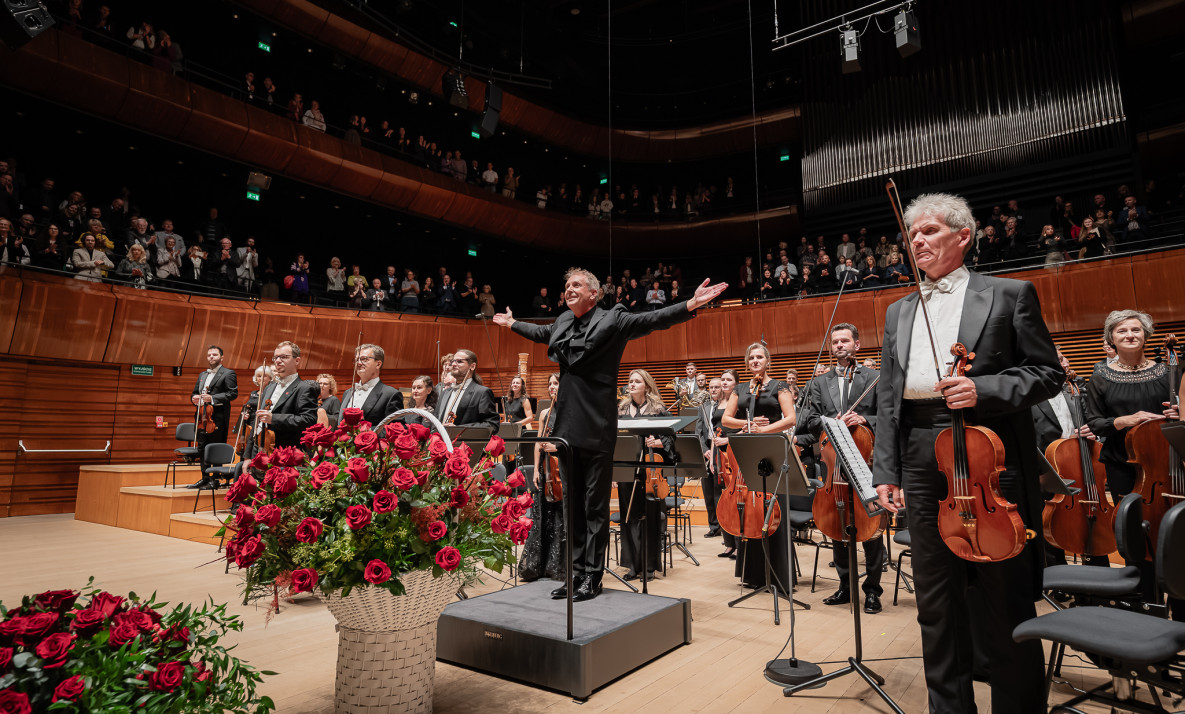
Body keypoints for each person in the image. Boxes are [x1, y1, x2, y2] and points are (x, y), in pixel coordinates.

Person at [871, 192, 1063, 714]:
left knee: (1004, 595)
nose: (917, 241)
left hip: (987, 450)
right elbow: (888, 397)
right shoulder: (898, 311)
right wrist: (886, 470)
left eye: (929, 230)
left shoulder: (1009, 293)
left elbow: (1048, 372)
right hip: (918, 451)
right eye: (913, 234)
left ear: (963, 236)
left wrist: (986, 388)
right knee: (936, 600)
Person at [494, 268, 726, 601]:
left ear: (594, 293)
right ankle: (574, 574)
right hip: (566, 427)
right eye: (566, 285)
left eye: (576, 285)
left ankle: (592, 576)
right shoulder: (562, 321)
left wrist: (689, 304)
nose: (568, 289)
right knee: (572, 506)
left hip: (597, 426)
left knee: (594, 507)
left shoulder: (612, 318)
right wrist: (512, 323)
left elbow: (651, 320)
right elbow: (541, 332)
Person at [1085, 310, 1182, 616]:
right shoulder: (1100, 377)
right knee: (1136, 534)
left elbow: (1182, 409)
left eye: (1136, 330)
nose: (1130, 335)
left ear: (1146, 335)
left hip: (1167, 463)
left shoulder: (1169, 371)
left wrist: (1178, 414)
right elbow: (1095, 423)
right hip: (1124, 465)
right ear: (1111, 339)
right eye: (1122, 331)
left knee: (1175, 531)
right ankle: (1145, 604)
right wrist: (1127, 420)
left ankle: (1180, 602)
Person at [804, 324, 884, 614]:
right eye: (835, 341)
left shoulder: (874, 377)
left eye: (845, 340)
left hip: (867, 460)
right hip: (834, 463)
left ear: (856, 345)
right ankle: (845, 586)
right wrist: (829, 422)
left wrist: (864, 419)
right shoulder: (819, 382)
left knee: (872, 530)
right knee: (837, 526)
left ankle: (872, 591)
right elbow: (810, 420)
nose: (839, 345)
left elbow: (887, 414)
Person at [721, 343, 797, 592]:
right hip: (749, 450)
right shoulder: (740, 389)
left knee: (774, 508)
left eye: (759, 357)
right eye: (751, 357)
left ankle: (779, 576)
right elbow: (726, 419)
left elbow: (791, 418)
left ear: (767, 361)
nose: (755, 360)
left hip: (772, 448)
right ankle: (753, 575)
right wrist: (748, 423)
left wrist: (764, 430)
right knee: (751, 509)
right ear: (747, 362)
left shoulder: (779, 386)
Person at [617, 369, 674, 581]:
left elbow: (672, 437)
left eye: (637, 381)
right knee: (630, 517)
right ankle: (633, 565)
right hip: (627, 470)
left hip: (651, 471)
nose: (631, 384)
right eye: (630, 381)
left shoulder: (658, 409)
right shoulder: (621, 409)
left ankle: (649, 566)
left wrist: (659, 442)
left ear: (647, 386)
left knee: (650, 518)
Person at [521, 373, 566, 582]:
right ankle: (539, 565)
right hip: (545, 469)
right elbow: (538, 442)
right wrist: (535, 470)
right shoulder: (545, 413)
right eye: (550, 384)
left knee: (560, 515)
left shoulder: (569, 412)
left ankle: (557, 564)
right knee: (543, 513)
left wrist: (557, 447)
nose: (552, 387)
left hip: (562, 468)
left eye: (556, 383)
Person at [697, 372, 740, 556]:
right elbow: (716, 433)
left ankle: (739, 542)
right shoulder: (718, 404)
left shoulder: (739, 402)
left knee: (734, 500)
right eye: (722, 379)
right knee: (720, 499)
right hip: (718, 457)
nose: (724, 383)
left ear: (736, 383)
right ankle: (729, 543)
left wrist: (728, 440)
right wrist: (713, 456)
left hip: (734, 454)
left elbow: (747, 427)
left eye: (728, 380)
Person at [187, 345, 239, 487]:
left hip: (218, 417)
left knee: (215, 447)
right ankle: (205, 477)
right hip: (202, 417)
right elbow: (194, 393)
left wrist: (213, 398)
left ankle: (215, 479)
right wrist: (194, 399)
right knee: (202, 447)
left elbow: (232, 393)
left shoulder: (228, 373)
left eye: (215, 355)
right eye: (209, 355)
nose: (211, 357)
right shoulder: (202, 375)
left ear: (222, 357)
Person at [254, 341, 318, 449]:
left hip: (285, 451)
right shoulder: (269, 387)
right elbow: (257, 421)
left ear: (297, 360)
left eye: (284, 357)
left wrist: (274, 418)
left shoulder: (304, 388)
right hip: (260, 448)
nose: (278, 361)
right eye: (275, 358)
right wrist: (249, 453)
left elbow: (308, 420)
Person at [339, 344, 404, 429]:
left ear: (378, 364)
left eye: (364, 359)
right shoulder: (347, 393)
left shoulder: (391, 394)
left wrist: (366, 432)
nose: (358, 363)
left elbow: (397, 427)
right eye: (356, 360)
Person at [438, 349, 499, 430]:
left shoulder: (482, 392)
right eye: (453, 361)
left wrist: (459, 429)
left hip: (465, 438)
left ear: (472, 366)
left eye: (459, 361)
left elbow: (492, 424)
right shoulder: (445, 393)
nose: (453, 364)